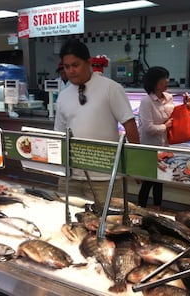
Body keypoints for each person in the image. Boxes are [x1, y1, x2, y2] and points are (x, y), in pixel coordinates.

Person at [54, 39, 139, 212]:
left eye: (75, 65)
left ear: (88, 62)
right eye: (67, 66)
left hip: (105, 177)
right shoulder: (63, 95)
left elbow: (129, 124)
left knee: (108, 223)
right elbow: (59, 134)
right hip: (70, 176)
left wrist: (136, 164)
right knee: (66, 218)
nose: (71, 71)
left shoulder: (110, 88)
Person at [138, 66, 190, 209]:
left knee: (160, 180)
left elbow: (175, 116)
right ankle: (139, 211)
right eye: (163, 79)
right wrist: (165, 126)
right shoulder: (146, 101)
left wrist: (187, 105)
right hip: (149, 146)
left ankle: (157, 209)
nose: (166, 82)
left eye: (166, 78)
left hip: (163, 146)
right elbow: (147, 128)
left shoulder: (168, 98)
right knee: (148, 181)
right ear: (154, 82)